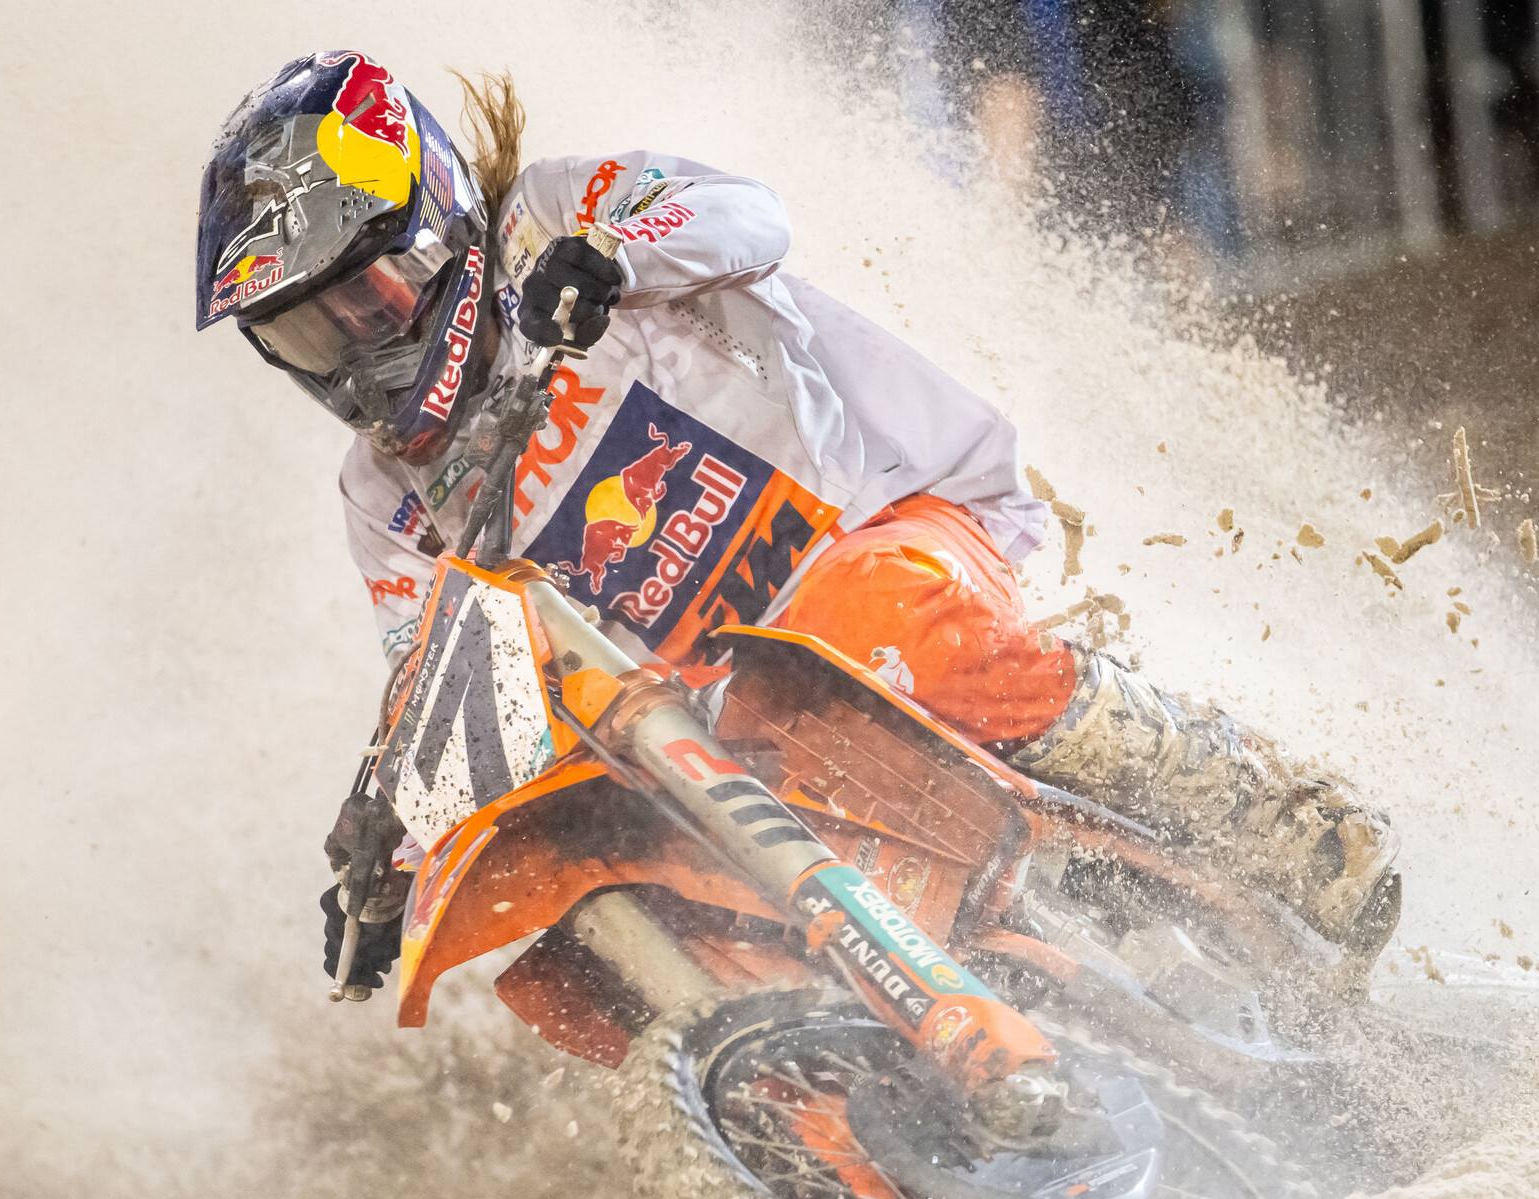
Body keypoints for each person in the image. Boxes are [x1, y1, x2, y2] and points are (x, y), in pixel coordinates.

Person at [192, 50, 1400, 1002]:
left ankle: (1259, 803)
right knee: (582, 896)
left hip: (891, 530)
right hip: (735, 735)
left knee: (868, 624)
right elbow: (446, 675)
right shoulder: (381, 496)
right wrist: (391, 851)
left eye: (367, 294)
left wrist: (610, 253)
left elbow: (748, 217)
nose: (357, 350)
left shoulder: (551, 216)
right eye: (309, 334)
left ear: (434, 214)